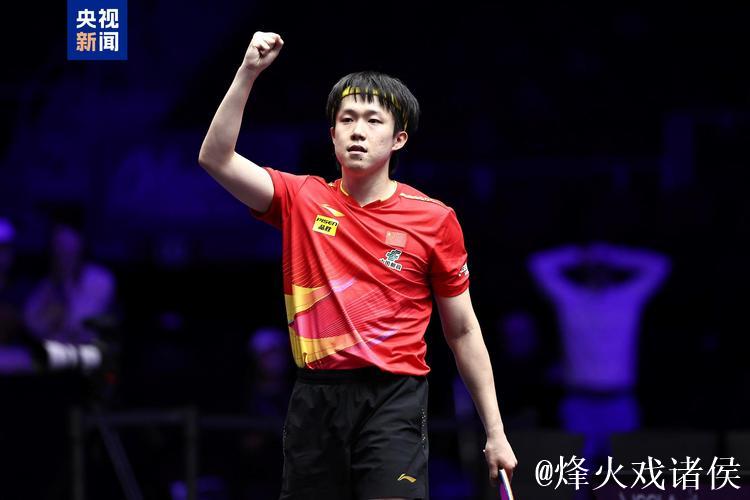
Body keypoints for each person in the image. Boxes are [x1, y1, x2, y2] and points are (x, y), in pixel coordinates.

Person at [199, 31, 516, 499]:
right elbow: (215, 158)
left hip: (393, 399)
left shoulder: (434, 219)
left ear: (399, 138)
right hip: (315, 399)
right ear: (332, 135)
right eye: (346, 119)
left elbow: (463, 330)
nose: (357, 130)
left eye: (373, 120)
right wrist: (248, 72)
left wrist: (496, 431)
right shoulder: (301, 199)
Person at [528, 242, 670, 466]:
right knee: (578, 474)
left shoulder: (626, 298)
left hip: (620, 401)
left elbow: (659, 265)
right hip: (579, 402)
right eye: (594, 268)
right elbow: (538, 264)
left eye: (602, 268)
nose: (598, 273)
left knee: (626, 473)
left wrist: (611, 255)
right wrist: (583, 254)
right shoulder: (571, 299)